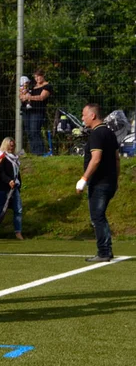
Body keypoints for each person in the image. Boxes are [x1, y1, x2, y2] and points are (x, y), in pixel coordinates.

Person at [76, 103, 120, 262]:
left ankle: (104, 252)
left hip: (99, 182)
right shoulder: (110, 133)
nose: (82, 118)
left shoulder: (96, 134)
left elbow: (96, 159)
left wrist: (84, 178)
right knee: (99, 216)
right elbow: (117, 159)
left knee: (97, 217)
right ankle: (106, 250)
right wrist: (116, 179)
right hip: (109, 181)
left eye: (84, 115)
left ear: (92, 115)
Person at [0, 137, 23, 240]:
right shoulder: (2, 157)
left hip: (15, 188)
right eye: (10, 145)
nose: (12, 147)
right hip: (3, 187)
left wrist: (19, 184)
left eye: (13, 145)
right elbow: (1, 173)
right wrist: (9, 181)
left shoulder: (15, 158)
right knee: (1, 210)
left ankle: (18, 232)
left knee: (18, 209)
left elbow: (17, 173)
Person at [20, 69, 53, 156]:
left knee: (35, 131)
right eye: (35, 77)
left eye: (38, 76)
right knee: (29, 132)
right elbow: (23, 95)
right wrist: (22, 96)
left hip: (37, 111)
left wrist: (29, 97)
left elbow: (42, 97)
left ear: (43, 75)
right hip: (27, 111)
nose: (37, 78)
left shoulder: (47, 86)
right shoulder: (32, 86)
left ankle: (40, 152)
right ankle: (33, 152)